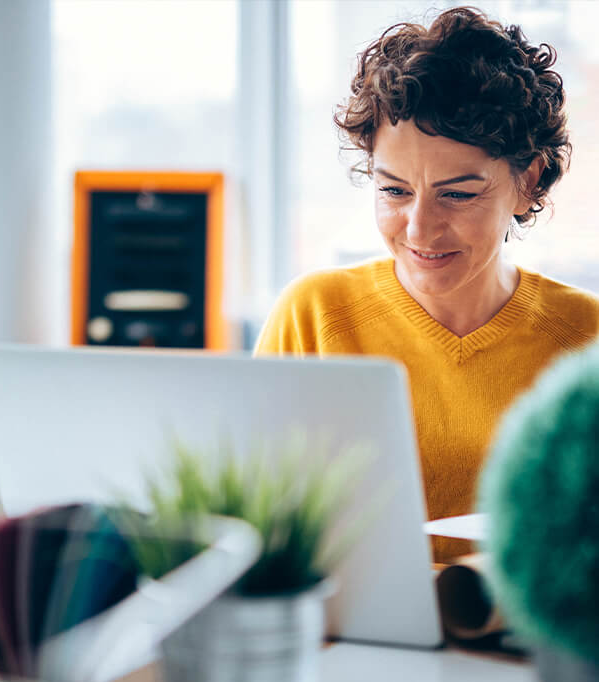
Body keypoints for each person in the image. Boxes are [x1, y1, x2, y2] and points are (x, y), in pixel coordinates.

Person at [254, 6, 599, 561]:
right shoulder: (314, 315)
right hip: (351, 642)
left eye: (458, 194)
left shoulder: (587, 339)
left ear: (529, 181)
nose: (419, 229)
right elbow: (257, 526)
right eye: (393, 191)